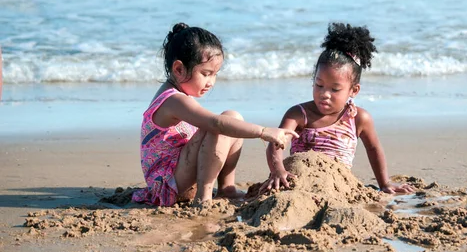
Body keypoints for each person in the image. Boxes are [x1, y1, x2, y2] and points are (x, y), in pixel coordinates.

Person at [133, 23, 298, 206]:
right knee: (220, 125)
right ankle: (203, 197)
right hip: (167, 185)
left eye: (215, 74)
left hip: (179, 175)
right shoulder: (174, 101)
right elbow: (215, 124)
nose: (211, 82)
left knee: (232, 116)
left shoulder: (177, 95)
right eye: (206, 74)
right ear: (179, 69)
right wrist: (263, 131)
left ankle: (226, 188)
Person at [263, 23, 415, 194]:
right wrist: (278, 170)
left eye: (335, 89)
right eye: (319, 85)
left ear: (353, 90)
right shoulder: (298, 114)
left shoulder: (358, 118)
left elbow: (373, 149)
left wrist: (384, 183)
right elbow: (277, 142)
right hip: (299, 184)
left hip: (337, 187)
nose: (324, 94)